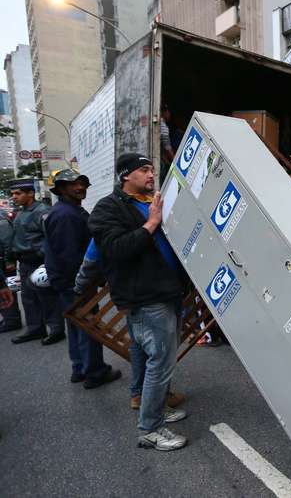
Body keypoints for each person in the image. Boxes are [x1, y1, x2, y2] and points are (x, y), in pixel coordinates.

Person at [89, 154, 188, 451]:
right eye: (144, 170)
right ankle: (150, 429)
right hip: (144, 297)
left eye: (151, 169)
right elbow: (115, 249)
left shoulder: (152, 201)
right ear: (125, 176)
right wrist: (152, 223)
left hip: (169, 292)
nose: (150, 174)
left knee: (155, 358)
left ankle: (159, 408)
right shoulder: (108, 208)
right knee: (160, 361)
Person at [73, 239, 185, 409]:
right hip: (151, 293)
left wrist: (80, 287)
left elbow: (91, 259)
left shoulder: (116, 219)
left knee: (141, 346)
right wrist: (80, 286)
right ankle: (155, 405)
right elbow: (92, 256)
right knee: (159, 353)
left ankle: (141, 395)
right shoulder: (127, 217)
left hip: (136, 293)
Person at [44, 169, 122, 388]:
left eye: (82, 184)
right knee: (88, 325)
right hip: (74, 281)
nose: (79, 188)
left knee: (77, 324)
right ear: (60, 189)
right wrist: (86, 281)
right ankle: (94, 372)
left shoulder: (67, 210)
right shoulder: (66, 215)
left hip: (67, 281)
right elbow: (70, 256)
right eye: (72, 185)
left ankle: (80, 367)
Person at [8, 179, 64, 345]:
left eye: (18, 193)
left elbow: (52, 238)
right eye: (13, 194)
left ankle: (56, 329)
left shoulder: (42, 211)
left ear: (31, 193)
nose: (14, 197)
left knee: (47, 297)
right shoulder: (21, 212)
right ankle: (35, 328)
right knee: (28, 298)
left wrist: (42, 256)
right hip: (24, 261)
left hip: (39, 261)